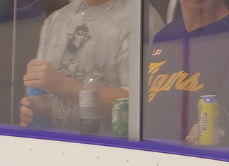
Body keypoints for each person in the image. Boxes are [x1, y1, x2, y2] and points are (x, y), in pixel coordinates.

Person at [17, 0, 156, 130]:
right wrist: (31, 111)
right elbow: (41, 92)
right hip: (54, 145)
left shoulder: (139, 18)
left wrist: (65, 86)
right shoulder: (56, 19)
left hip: (112, 150)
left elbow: (145, 104)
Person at [146, 0, 229, 145]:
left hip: (198, 163)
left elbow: (223, 123)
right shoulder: (165, 35)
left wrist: (220, 131)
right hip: (143, 156)